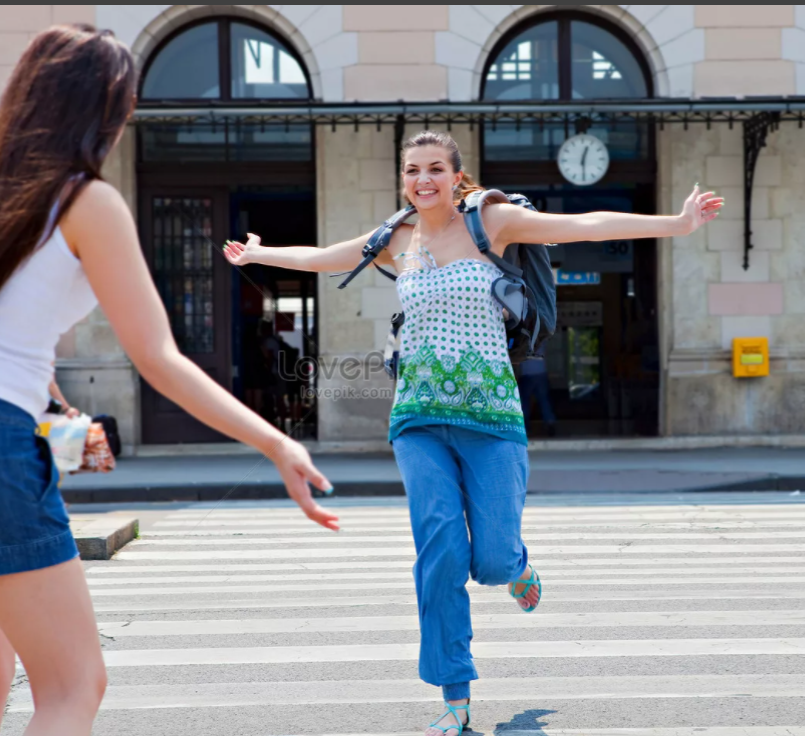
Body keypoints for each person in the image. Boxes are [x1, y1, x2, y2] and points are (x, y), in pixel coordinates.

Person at [0, 24, 336, 736]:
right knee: (72, 687)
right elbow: (159, 358)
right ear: (108, 112)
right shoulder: (85, 202)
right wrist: (275, 443)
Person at [224, 129, 723, 736]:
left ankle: (517, 567)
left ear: (456, 176)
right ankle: (454, 697)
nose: (422, 180)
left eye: (435, 168)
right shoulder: (395, 237)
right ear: (403, 178)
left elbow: (584, 226)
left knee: (488, 560)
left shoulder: (493, 220)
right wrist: (259, 255)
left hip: (491, 417)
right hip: (417, 418)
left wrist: (677, 223)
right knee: (440, 553)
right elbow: (328, 255)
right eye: (412, 170)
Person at [518, 342, 556, 437]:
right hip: (541, 372)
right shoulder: (541, 339)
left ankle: (524, 426)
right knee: (544, 400)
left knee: (525, 401)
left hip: (527, 373)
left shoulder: (522, 340)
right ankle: (550, 423)